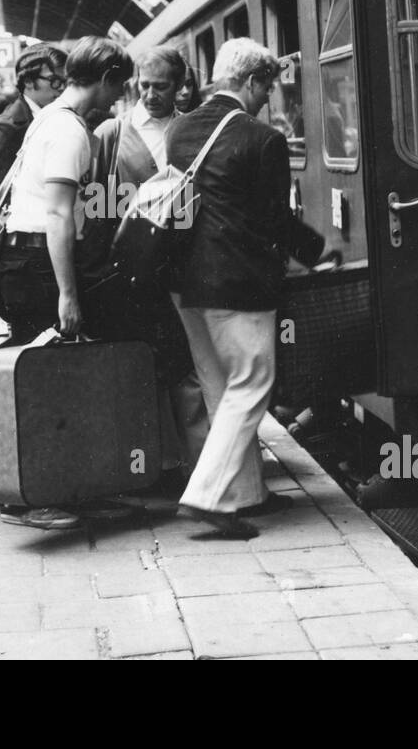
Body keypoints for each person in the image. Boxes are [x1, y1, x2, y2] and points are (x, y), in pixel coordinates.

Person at [0, 36, 132, 530]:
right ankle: (34, 499)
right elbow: (56, 214)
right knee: (46, 384)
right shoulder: (70, 132)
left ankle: (72, 490)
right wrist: (68, 293)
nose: (120, 96)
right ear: (107, 78)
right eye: (120, 85)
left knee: (59, 380)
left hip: (28, 258)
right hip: (39, 262)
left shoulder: (50, 118)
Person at [165, 38, 295, 539]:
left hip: (184, 282)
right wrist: (313, 251)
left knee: (221, 390)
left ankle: (246, 495)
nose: (267, 98)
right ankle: (209, 498)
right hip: (236, 283)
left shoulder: (180, 129)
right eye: (267, 87)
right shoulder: (262, 139)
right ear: (252, 82)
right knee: (252, 383)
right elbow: (274, 221)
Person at [90, 45, 204, 484]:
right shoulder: (111, 134)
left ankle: (196, 471)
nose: (151, 94)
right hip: (127, 274)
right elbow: (95, 210)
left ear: (180, 87)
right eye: (145, 85)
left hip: (179, 270)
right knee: (139, 369)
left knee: (185, 369)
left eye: (162, 86)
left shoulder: (191, 131)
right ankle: (150, 465)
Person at [0, 43, 66, 201]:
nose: (61, 88)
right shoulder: (7, 127)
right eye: (54, 80)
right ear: (28, 81)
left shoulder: (57, 116)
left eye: (64, 81)